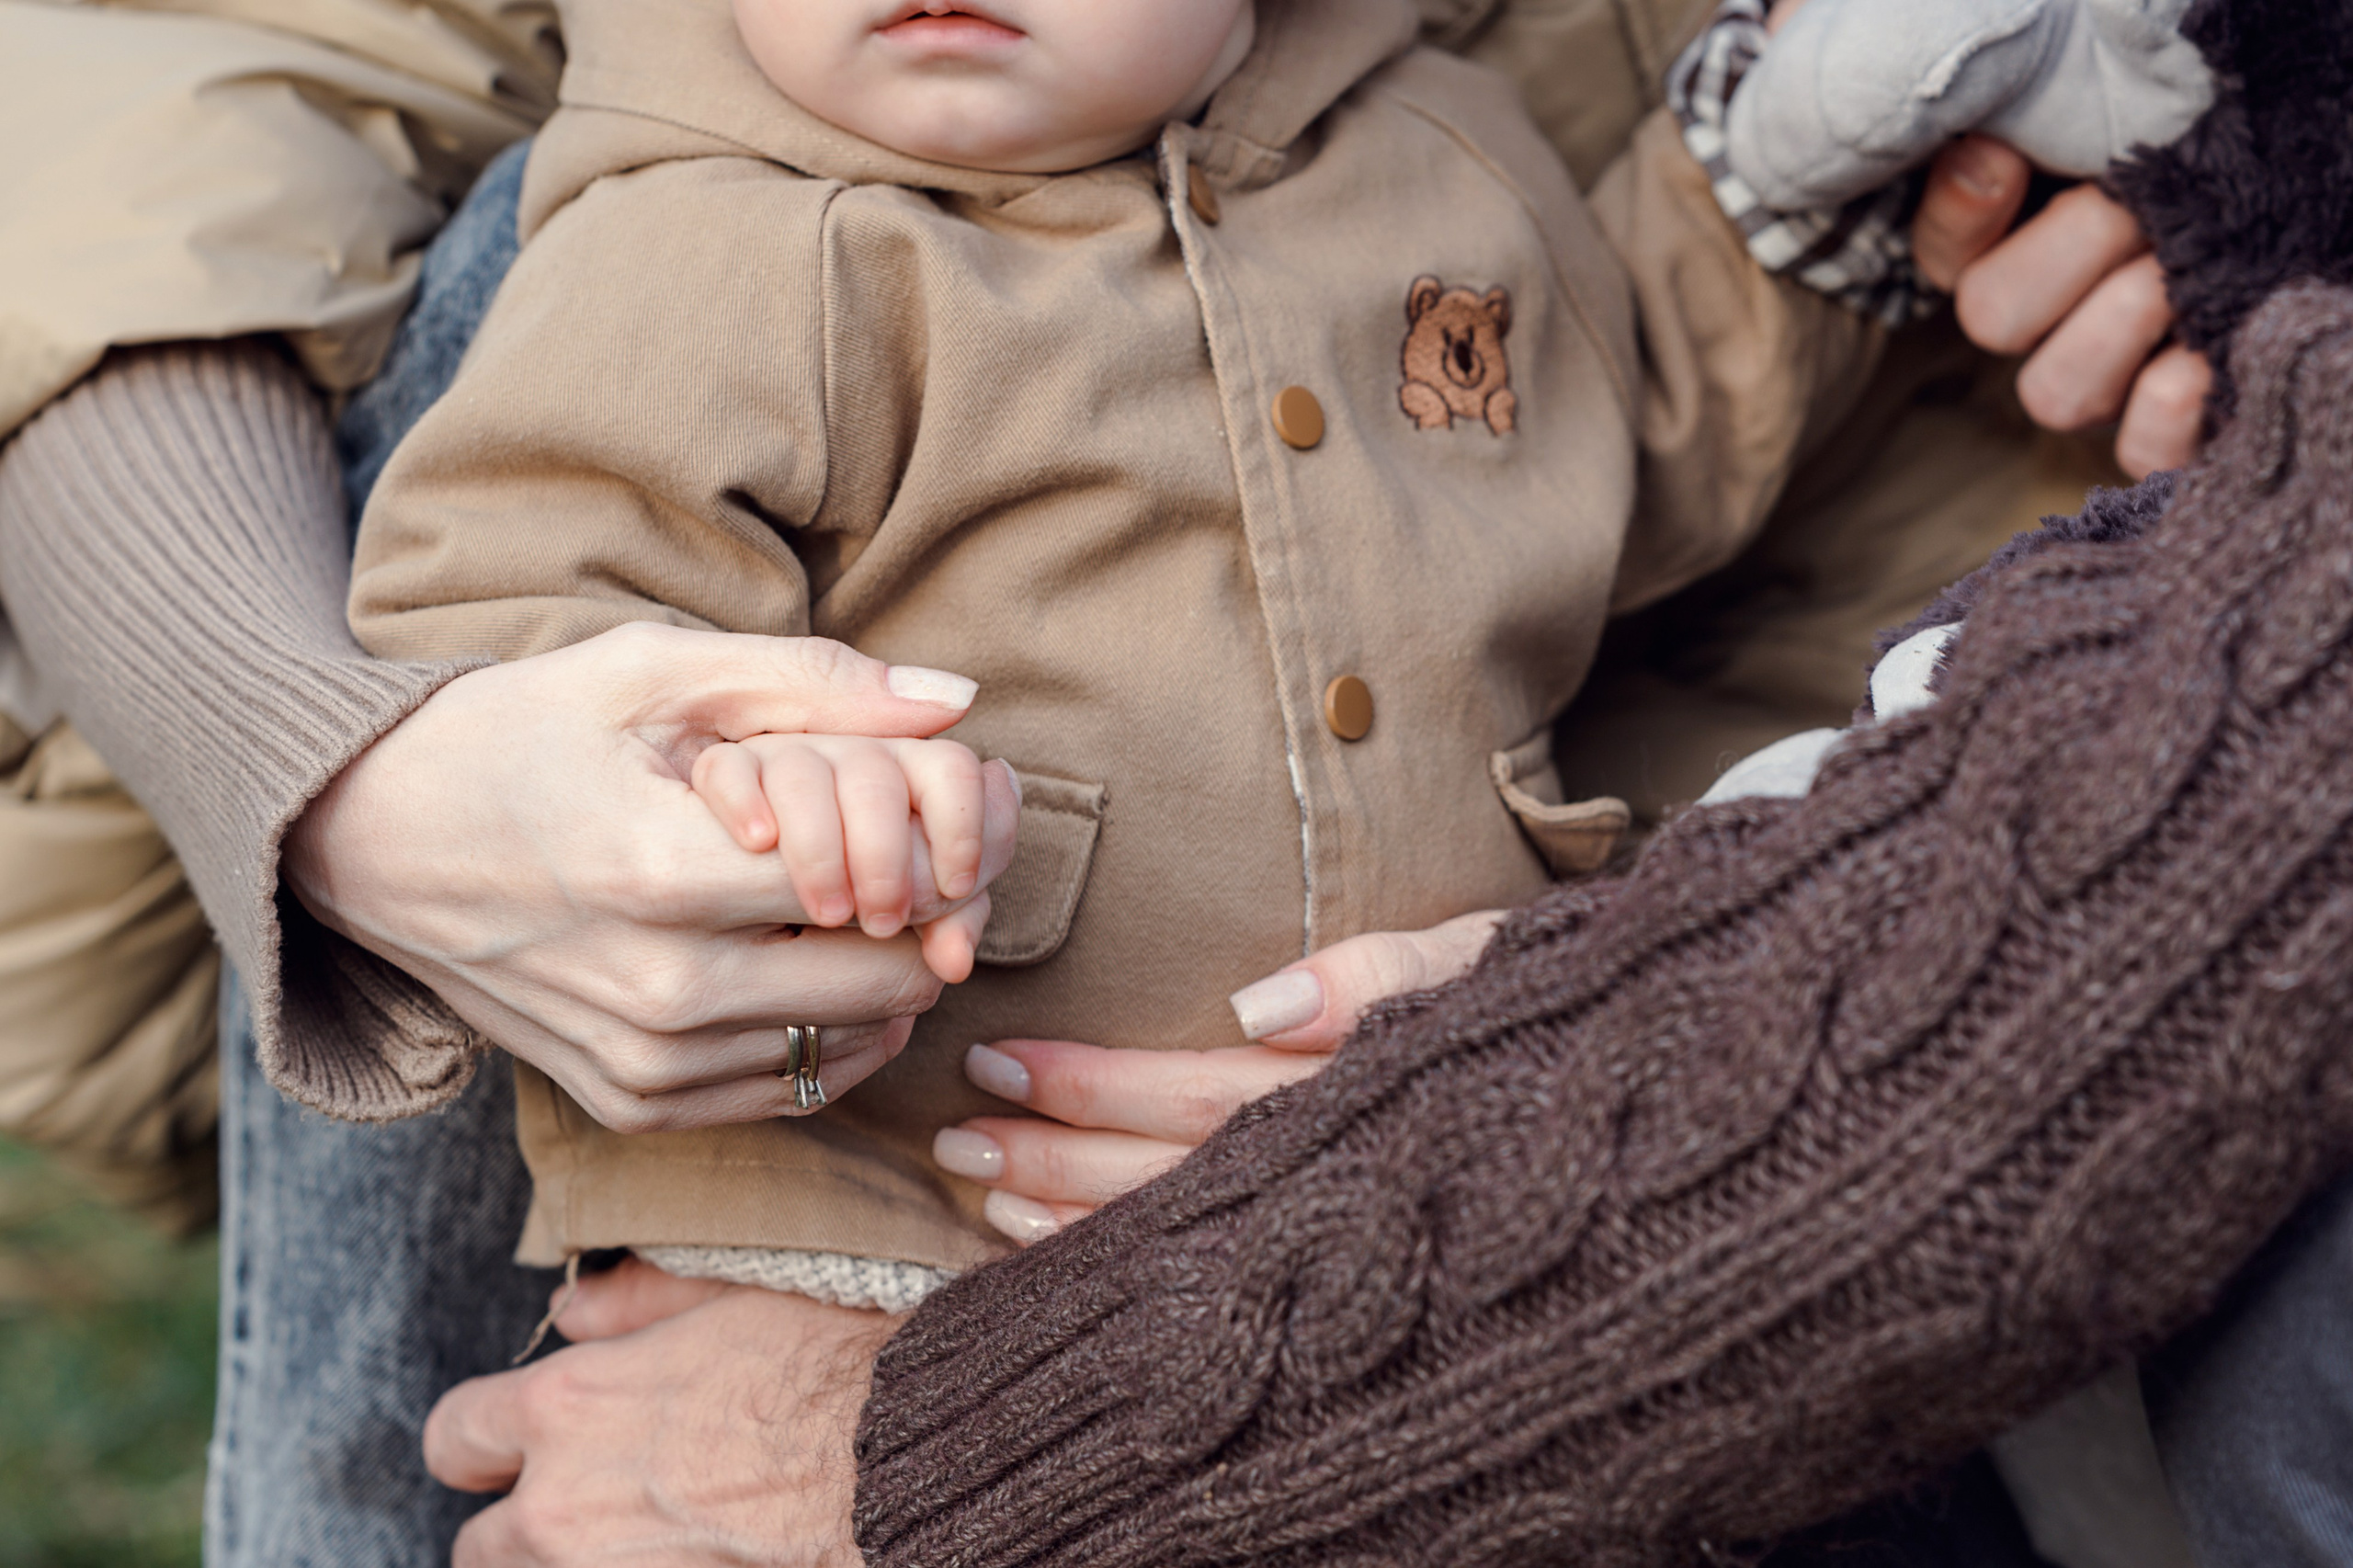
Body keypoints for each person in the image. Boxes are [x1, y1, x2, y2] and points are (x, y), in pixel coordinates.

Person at [0, 0, 2230, 1562]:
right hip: (861, 1185)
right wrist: (661, 752)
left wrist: (1832, 199)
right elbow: (508, 556)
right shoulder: (726, 222)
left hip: (1449, 1059)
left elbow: (1622, 423)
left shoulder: (1426, 159)